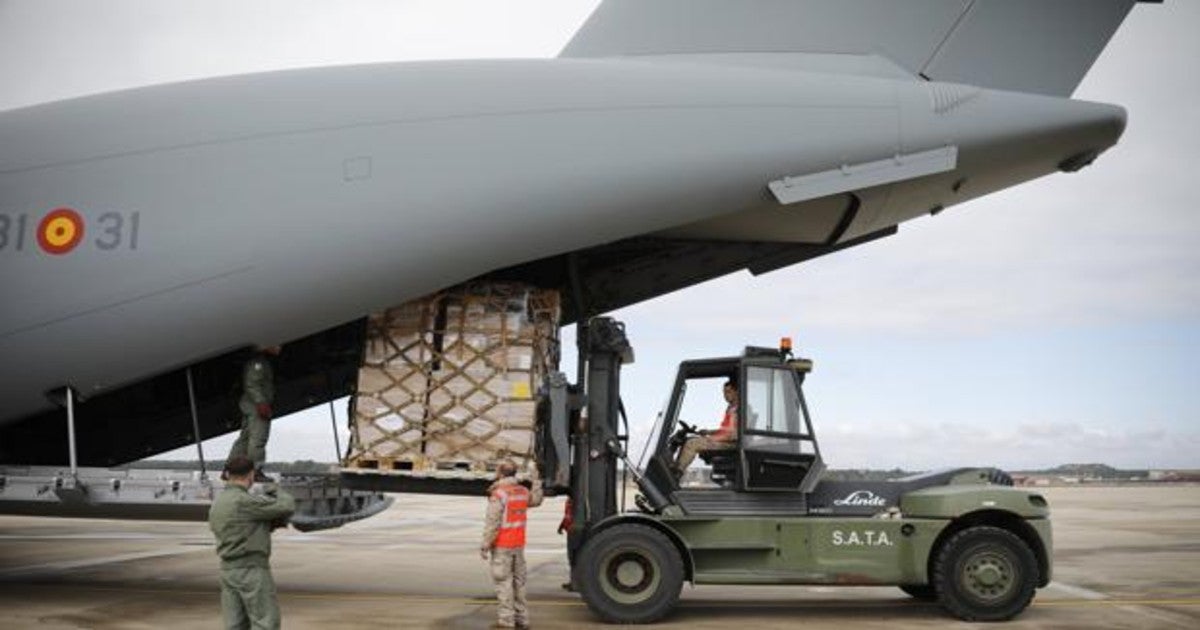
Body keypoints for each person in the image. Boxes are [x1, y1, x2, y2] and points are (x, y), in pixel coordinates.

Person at [208, 455, 296, 630]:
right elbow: (286, 506)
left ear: (228, 474)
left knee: (235, 624)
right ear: (251, 475)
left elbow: (240, 526)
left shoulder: (218, 502)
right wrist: (277, 490)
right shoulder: (244, 501)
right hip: (251, 570)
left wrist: (264, 528)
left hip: (228, 570)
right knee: (265, 622)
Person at [481, 459, 543, 629]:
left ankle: (507, 621)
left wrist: (485, 544)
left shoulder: (499, 494)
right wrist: (536, 479)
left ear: (500, 473)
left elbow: (493, 523)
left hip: (502, 546)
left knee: (503, 583)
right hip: (518, 545)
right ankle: (522, 619)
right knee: (519, 583)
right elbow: (537, 499)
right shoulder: (522, 491)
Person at [227, 345, 280, 482]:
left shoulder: (259, 362)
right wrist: (261, 403)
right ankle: (255, 471)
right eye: (276, 344)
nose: (279, 346)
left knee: (244, 439)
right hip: (255, 406)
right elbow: (252, 384)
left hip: (251, 405)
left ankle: (230, 470)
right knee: (258, 439)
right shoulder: (258, 363)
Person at [672, 377, 739, 477]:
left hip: (731, 444)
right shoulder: (731, 408)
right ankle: (676, 469)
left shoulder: (738, 409)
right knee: (691, 439)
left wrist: (711, 438)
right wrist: (708, 432)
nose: (725, 395)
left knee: (692, 443)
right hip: (727, 441)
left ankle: (676, 474)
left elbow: (731, 435)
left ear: (736, 392)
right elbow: (726, 430)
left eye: (728, 392)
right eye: (724, 392)